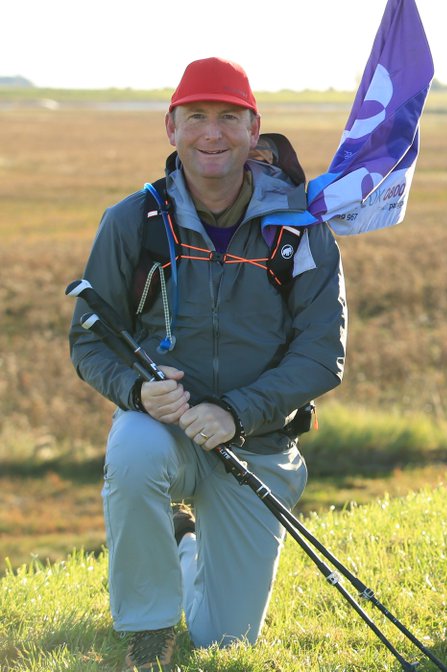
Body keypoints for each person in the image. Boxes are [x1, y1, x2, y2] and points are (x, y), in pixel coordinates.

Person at [68, 58, 347, 671]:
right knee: (134, 450)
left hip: (260, 442)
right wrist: (137, 392)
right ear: (171, 127)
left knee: (224, 643)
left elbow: (323, 355)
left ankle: (185, 545)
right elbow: (89, 342)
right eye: (196, 117)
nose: (211, 133)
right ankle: (149, 627)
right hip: (166, 431)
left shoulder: (300, 227)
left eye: (228, 117)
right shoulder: (132, 222)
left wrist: (235, 413)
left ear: (255, 130)